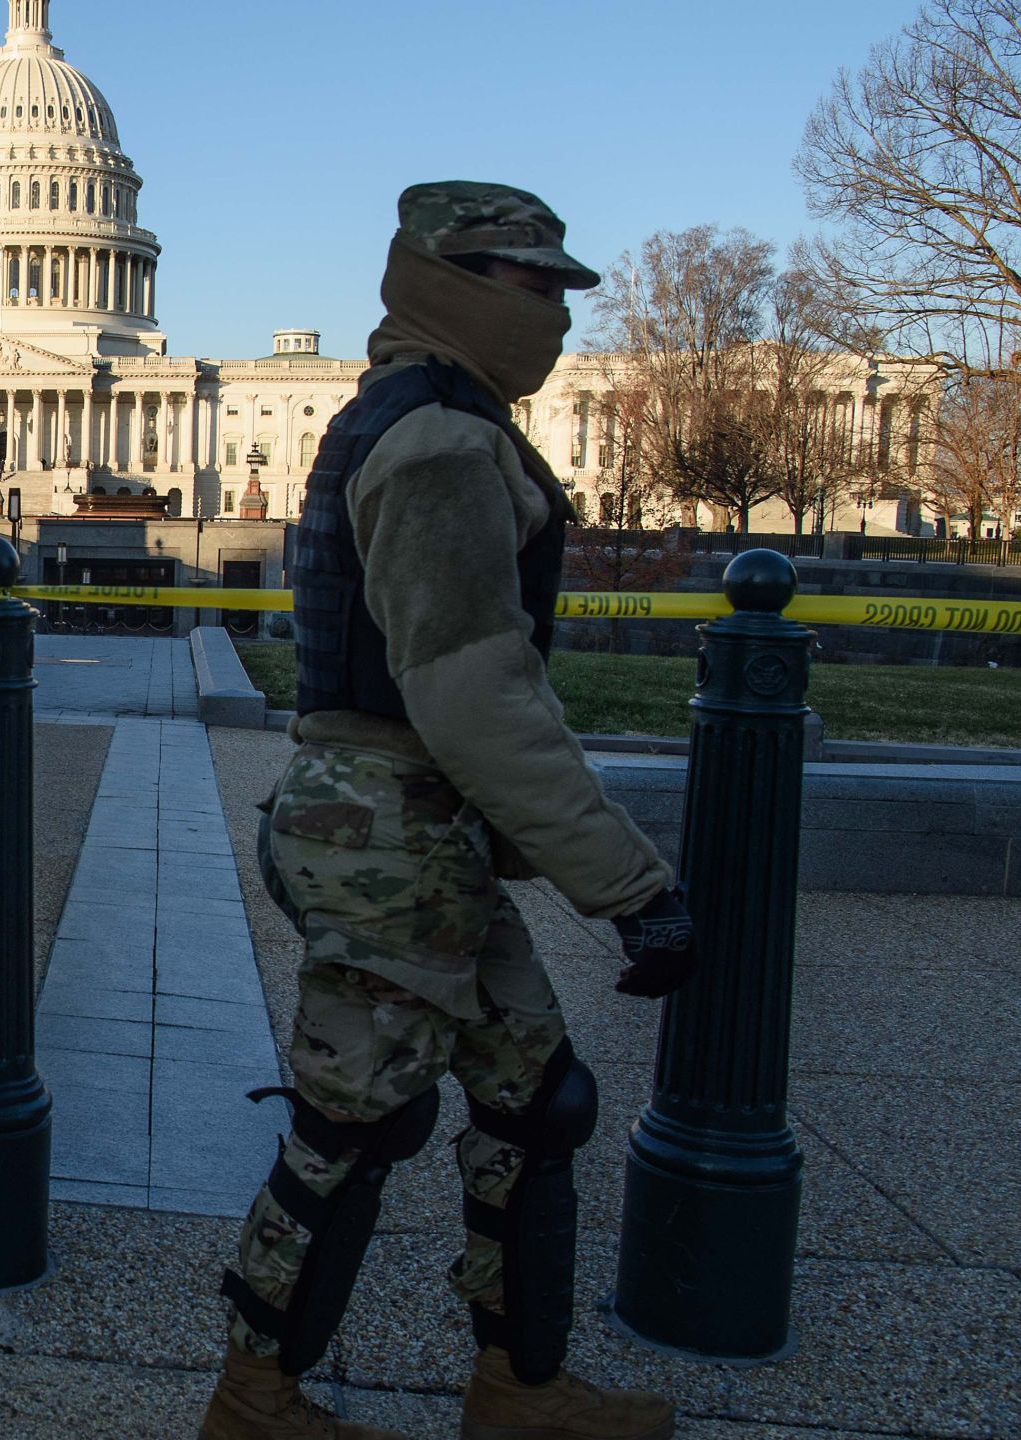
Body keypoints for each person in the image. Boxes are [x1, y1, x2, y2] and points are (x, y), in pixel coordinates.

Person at [200, 183, 697, 1440]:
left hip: (417, 822)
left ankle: (516, 1390)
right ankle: (252, 1399)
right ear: (452, 282)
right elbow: (471, 684)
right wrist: (627, 882)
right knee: (354, 1127)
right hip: (384, 830)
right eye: (533, 289)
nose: (555, 318)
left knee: (537, 1103)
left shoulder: (444, 420)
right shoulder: (433, 438)